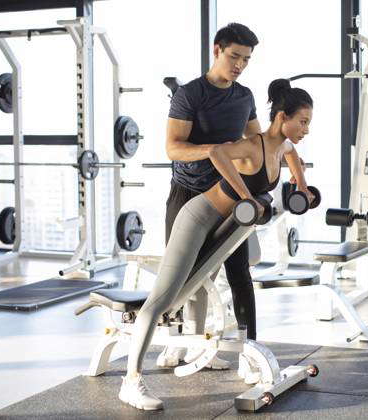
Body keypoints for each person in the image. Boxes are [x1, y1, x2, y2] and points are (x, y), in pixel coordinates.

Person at [119, 79, 314, 410]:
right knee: (166, 296)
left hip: (224, 223)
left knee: (212, 280)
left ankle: (240, 352)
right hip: (197, 217)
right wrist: (246, 195)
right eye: (303, 121)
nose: (306, 129)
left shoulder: (283, 147)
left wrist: (303, 186)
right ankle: (131, 381)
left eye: (309, 123)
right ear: (282, 117)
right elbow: (217, 152)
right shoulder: (253, 145)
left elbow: (295, 158)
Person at [156, 22, 261, 372]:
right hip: (187, 193)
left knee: (238, 274)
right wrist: (215, 150)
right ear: (217, 50)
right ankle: (178, 344)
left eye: (246, 59)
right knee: (182, 277)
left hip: (227, 196)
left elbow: (256, 142)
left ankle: (248, 354)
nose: (240, 65)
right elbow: (173, 148)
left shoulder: (244, 97)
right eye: (234, 56)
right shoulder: (189, 95)